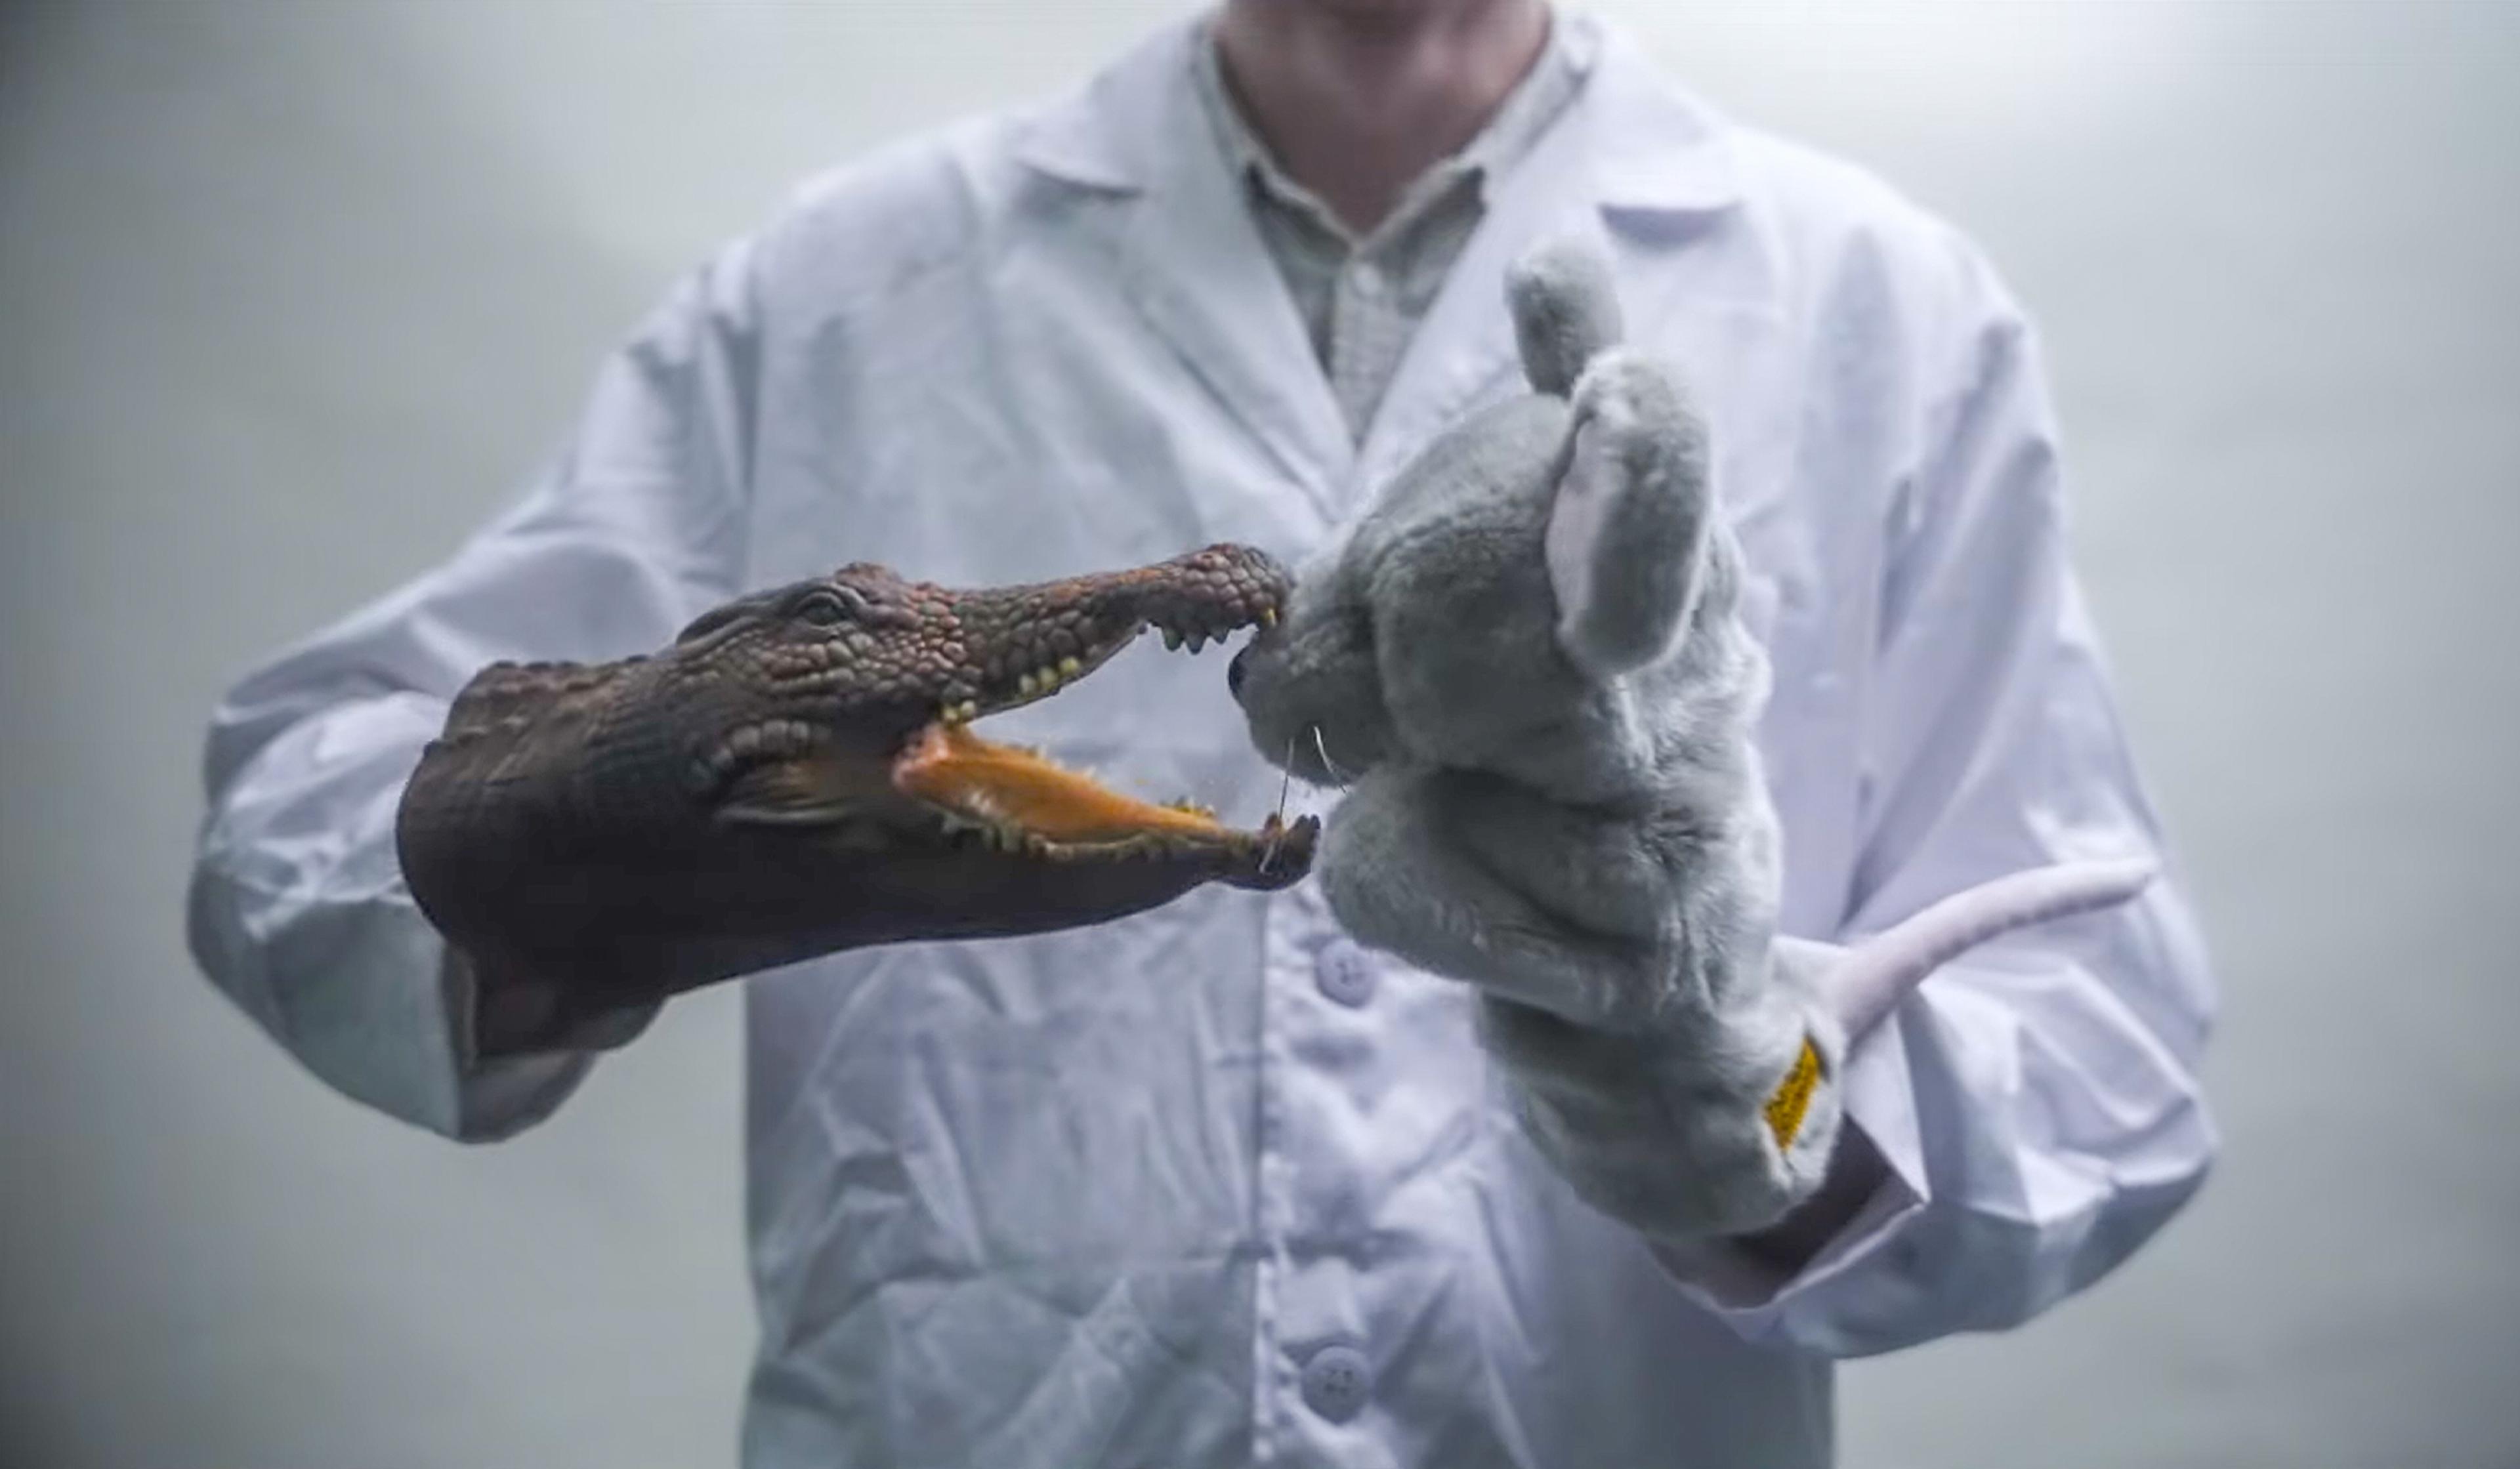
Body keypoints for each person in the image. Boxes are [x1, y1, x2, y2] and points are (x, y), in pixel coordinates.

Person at [186, 1, 2218, 1464]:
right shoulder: (833, 295)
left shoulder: (1872, 305)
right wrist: (586, 824)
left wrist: (1761, 1110)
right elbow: (304, 818)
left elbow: (2095, 1052)